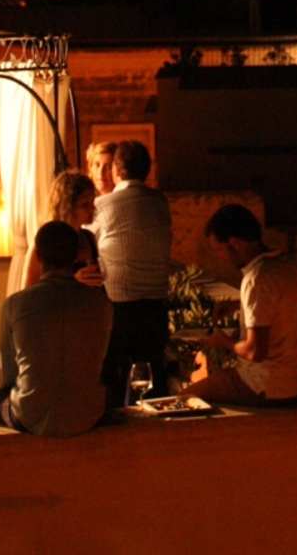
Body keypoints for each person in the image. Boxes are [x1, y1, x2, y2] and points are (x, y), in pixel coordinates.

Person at [183, 204, 297, 406]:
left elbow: (255, 352)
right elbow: (277, 303)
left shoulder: (256, 280)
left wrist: (223, 342)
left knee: (184, 399)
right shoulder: (291, 270)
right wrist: (239, 304)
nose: (220, 257)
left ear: (235, 244)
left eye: (219, 250)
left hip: (269, 386)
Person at [0, 221, 113, 436]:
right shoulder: (101, 303)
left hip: (30, 414)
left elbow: (5, 374)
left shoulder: (16, 304)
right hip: (87, 412)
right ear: (76, 256)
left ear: (38, 256)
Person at [90, 139, 172, 405]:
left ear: (116, 169)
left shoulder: (104, 206)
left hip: (120, 305)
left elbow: (87, 241)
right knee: (154, 377)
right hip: (157, 305)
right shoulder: (160, 202)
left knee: (116, 377)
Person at [48, 170, 105, 288]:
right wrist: (73, 282)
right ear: (67, 207)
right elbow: (31, 291)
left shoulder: (89, 237)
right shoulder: (46, 241)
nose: (93, 209)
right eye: (85, 204)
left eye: (92, 202)